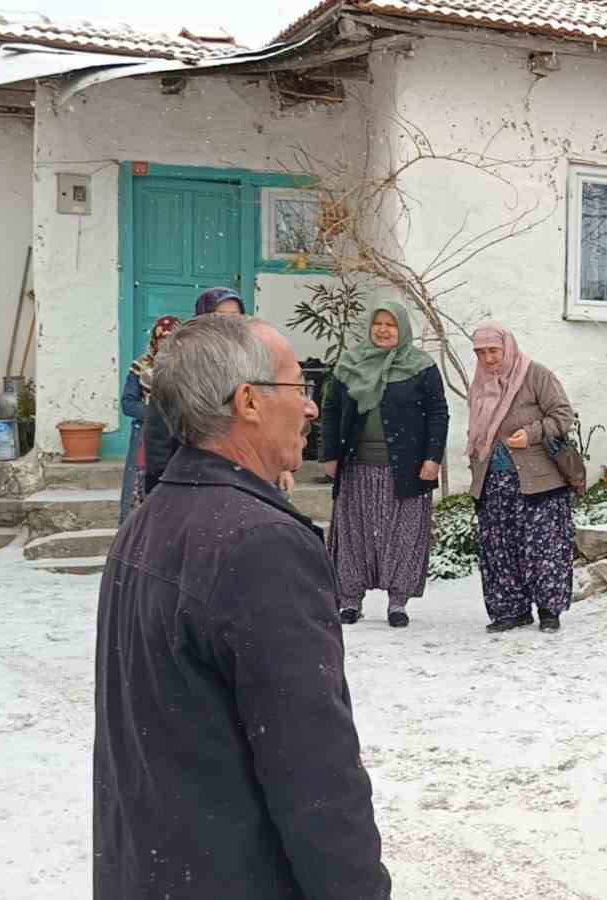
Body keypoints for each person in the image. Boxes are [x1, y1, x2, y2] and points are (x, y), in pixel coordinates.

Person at [94, 314, 390, 899]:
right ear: (249, 401)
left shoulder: (149, 523)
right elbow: (314, 773)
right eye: (299, 385)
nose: (311, 408)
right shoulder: (261, 546)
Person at [321, 299, 449, 628]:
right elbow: (331, 410)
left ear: (402, 329)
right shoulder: (350, 364)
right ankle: (350, 601)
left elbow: (438, 414)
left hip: (405, 469)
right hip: (356, 466)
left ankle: (398, 602)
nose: (382, 330)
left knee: (402, 535)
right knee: (353, 535)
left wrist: (433, 458)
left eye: (390, 324)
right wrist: (331, 454)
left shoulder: (421, 367)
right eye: (378, 323)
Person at [465, 321, 576, 633]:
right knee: (499, 548)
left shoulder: (535, 375)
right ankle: (510, 610)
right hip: (494, 481)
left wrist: (532, 434)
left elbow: (563, 415)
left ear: (507, 347)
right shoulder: (480, 384)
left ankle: (548, 610)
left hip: (539, 480)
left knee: (544, 548)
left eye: (493, 351)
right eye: (481, 352)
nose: (488, 359)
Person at [142, 287, 267, 495]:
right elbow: (159, 428)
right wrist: (159, 480)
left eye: (236, 317)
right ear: (202, 318)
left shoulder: (250, 361)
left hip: (238, 472)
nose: (229, 323)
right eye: (219, 316)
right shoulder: (180, 360)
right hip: (187, 473)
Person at [118, 314, 179, 523]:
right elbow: (128, 403)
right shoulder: (141, 367)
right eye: (163, 339)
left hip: (177, 437)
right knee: (141, 485)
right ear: (155, 340)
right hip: (145, 436)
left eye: (172, 339)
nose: (166, 344)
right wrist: (157, 415)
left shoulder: (187, 369)